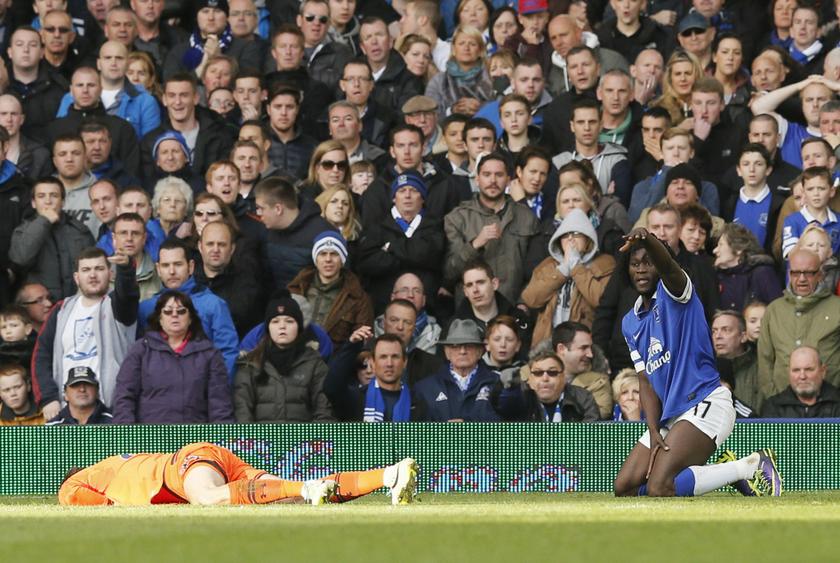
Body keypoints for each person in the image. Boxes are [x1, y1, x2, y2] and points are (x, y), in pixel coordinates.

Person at [613, 227, 782, 498]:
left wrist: (648, 238)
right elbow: (645, 380)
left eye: (649, 262)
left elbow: (669, 267)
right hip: (671, 416)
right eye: (635, 264)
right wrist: (654, 430)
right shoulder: (630, 322)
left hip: (706, 403)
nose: (642, 269)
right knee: (625, 486)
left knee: (660, 486)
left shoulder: (677, 293)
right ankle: (709, 472)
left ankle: (747, 467)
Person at [59, 441, 419, 506]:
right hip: (210, 458)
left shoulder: (81, 480)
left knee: (209, 499)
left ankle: (309, 490)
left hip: (188, 463)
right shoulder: (116, 464)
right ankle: (389, 476)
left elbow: (77, 498)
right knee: (291, 495)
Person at [31, 247, 139, 420]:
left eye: (99, 269)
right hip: (65, 411)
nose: (93, 275)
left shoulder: (117, 305)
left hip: (111, 411)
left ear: (110, 274)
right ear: (76, 277)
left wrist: (126, 270)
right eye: (86, 270)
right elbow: (41, 355)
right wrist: (48, 397)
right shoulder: (61, 309)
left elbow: (128, 295)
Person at [113, 290, 233, 424]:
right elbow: (124, 396)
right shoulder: (140, 350)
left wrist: (221, 440)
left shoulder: (210, 354)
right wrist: (127, 438)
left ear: (191, 318)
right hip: (148, 439)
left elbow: (220, 405)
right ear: (160, 318)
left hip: (196, 439)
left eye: (181, 311)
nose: (174, 315)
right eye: (168, 312)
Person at [444, 152, 541, 304]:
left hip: (513, 309)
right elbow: (450, 272)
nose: (493, 180)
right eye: (487, 174)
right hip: (471, 313)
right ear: (477, 179)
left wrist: (523, 304)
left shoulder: (527, 217)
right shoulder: (457, 218)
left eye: (499, 175)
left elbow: (536, 272)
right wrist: (475, 244)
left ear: (509, 180)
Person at [137, 239, 239, 376]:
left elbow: (227, 353)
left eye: (178, 264)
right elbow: (139, 356)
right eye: (166, 265)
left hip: (203, 390)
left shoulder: (214, 305)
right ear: (158, 269)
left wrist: (217, 392)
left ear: (190, 267)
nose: (172, 271)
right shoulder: (146, 308)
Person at [757, 248, 840, 408]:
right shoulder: (774, 309)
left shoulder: (836, 307)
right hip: (782, 405)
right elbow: (765, 358)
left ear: (820, 275)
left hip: (832, 405)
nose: (801, 279)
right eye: (795, 273)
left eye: (808, 273)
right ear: (789, 274)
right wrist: (773, 395)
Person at [234, 290, 334, 422]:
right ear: (267, 328)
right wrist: (253, 442)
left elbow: (324, 411)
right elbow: (242, 412)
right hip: (260, 441)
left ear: (299, 327)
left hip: (303, 441)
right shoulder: (250, 364)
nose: (282, 326)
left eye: (289, 321)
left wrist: (312, 441)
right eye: (275, 321)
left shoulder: (314, 363)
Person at [523, 208, 615, 347]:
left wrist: (577, 268)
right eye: (565, 235)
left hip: (584, 343)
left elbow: (600, 300)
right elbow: (531, 299)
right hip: (548, 341)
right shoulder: (548, 265)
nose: (570, 239)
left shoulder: (606, 263)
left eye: (576, 234)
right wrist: (563, 270)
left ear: (588, 239)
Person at [355, 170, 445, 312]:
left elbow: (432, 255)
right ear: (393, 198)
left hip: (428, 308)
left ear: (422, 197)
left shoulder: (435, 226)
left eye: (413, 190)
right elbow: (368, 264)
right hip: (384, 308)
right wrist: (415, 256)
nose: (407, 195)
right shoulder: (377, 227)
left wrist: (390, 247)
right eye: (402, 190)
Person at [9, 178, 96, 299]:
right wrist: (44, 221)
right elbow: (21, 258)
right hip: (40, 308)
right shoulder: (22, 231)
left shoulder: (80, 230)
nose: (48, 201)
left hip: (76, 304)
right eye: (41, 196)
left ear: (63, 201)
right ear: (33, 203)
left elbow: (93, 267)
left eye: (54, 195)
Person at [288, 231, 374, 345]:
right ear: (316, 259)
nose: (328, 259)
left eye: (334, 254)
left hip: (334, 359)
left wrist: (353, 342)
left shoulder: (358, 298)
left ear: (342, 260)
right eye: (323, 254)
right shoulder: (295, 289)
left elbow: (365, 344)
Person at [255, 176, 336, 289]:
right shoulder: (265, 231)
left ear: (278, 209)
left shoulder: (324, 234)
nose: (258, 213)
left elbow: (337, 284)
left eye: (261, 208)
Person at [413, 319, 500, 422]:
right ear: (447, 352)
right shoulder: (425, 388)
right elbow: (417, 433)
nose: (462, 351)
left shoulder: (497, 383)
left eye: (469, 346)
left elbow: (507, 426)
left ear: (480, 351)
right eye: (455, 346)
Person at [552, 98, 631, 207]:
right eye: (580, 122)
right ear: (572, 126)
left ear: (601, 125)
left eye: (592, 122)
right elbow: (552, 205)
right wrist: (606, 198)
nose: (587, 128)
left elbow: (620, 205)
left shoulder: (617, 160)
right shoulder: (559, 162)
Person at [325, 332, 420, 421]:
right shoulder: (356, 398)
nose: (389, 363)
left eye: (395, 357)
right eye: (383, 357)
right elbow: (331, 387)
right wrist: (351, 346)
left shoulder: (418, 402)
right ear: (373, 362)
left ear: (405, 362)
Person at [196, 221, 265, 337]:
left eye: (222, 244)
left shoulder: (248, 284)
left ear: (232, 248)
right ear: (200, 246)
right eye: (210, 244)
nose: (215, 249)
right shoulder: (189, 281)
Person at [492, 351, 599, 422]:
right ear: (530, 379)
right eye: (538, 373)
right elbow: (498, 406)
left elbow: (591, 436)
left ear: (563, 377)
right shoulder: (520, 397)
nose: (545, 378)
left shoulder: (583, 398)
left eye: (552, 372)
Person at [425, 25, 493, 118]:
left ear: (480, 51)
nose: (466, 48)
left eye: (472, 44)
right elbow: (429, 115)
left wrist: (481, 108)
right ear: (453, 49)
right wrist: (452, 111)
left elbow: (503, 107)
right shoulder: (438, 81)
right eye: (461, 43)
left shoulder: (492, 76)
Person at [713, 223, 782, 312]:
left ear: (738, 249)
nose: (715, 250)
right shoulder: (716, 277)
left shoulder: (762, 273)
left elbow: (778, 311)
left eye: (721, 245)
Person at [761, 346, 840, 418]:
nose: (802, 376)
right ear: (789, 373)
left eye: (809, 369)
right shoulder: (773, 407)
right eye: (796, 370)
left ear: (823, 371)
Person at [782, 167, 840, 259]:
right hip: (801, 272)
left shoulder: (838, 221)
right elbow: (790, 256)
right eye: (810, 189)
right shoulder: (792, 221)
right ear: (803, 193)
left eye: (821, 188)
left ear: (832, 191)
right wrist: (803, 239)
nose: (816, 193)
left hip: (831, 273)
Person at [711, 310, 760, 412]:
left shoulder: (760, 368)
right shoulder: (704, 370)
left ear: (743, 336)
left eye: (726, 330)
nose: (718, 336)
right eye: (714, 331)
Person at [45, 366, 113, 425]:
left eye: (87, 384)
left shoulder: (116, 420)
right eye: (75, 385)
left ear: (97, 391)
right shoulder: (51, 427)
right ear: (65, 394)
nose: (82, 389)